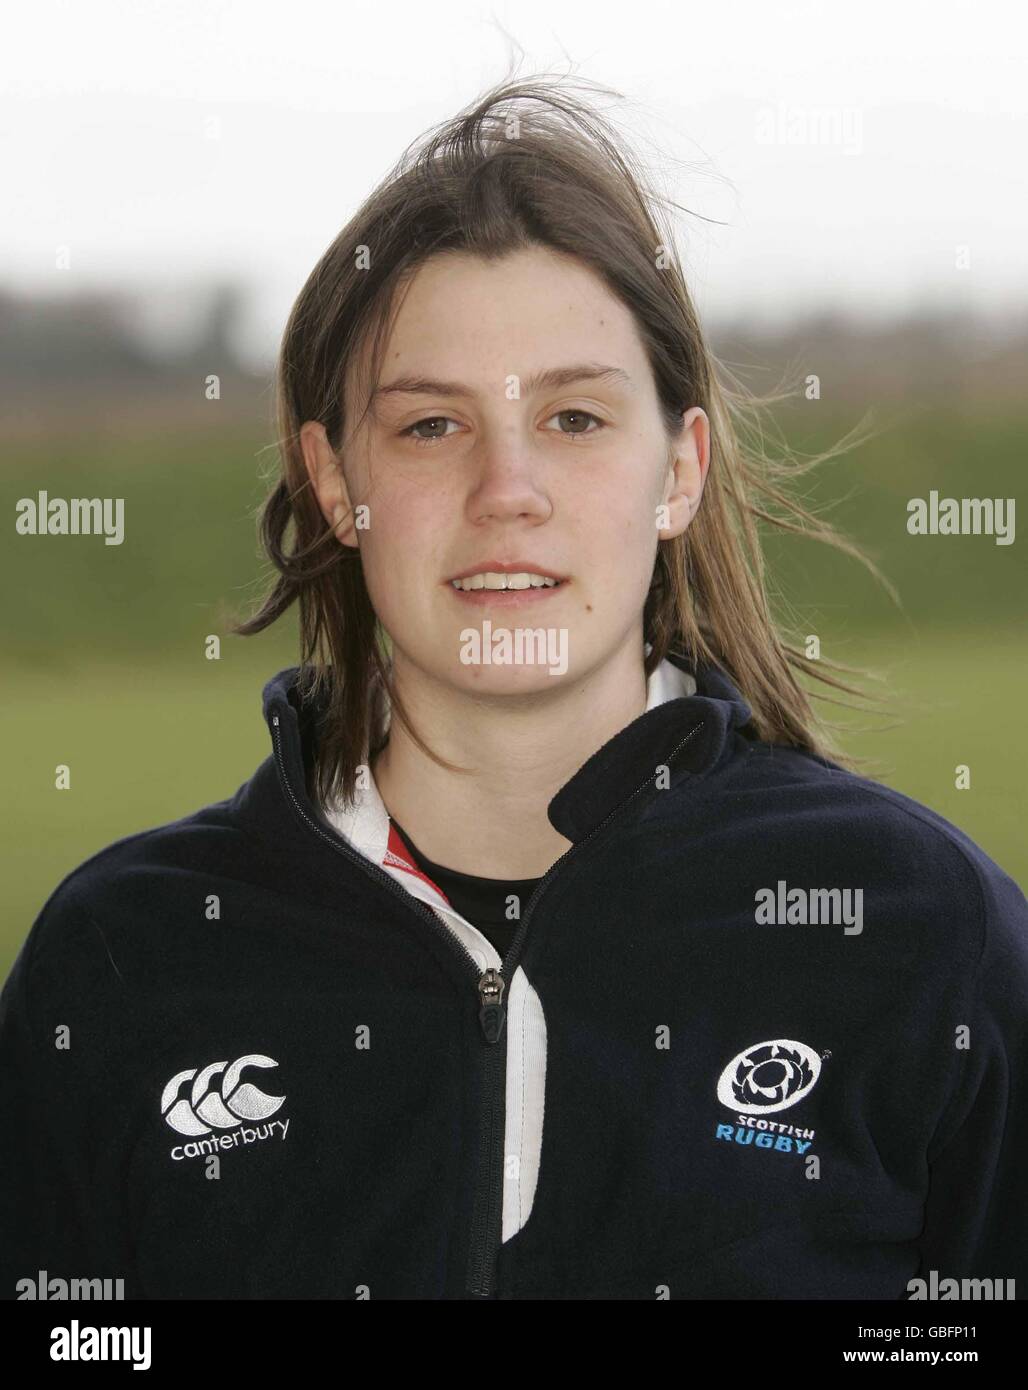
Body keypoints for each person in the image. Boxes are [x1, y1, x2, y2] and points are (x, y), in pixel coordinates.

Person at [2, 74, 1026, 1302]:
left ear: (679, 469)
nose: (508, 491)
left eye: (576, 417)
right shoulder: (123, 957)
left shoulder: (921, 932)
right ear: (333, 481)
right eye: (430, 427)